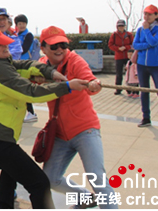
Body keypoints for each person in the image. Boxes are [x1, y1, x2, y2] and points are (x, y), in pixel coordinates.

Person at [0, 22, 87, 208]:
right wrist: (67, 86)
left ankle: (2, 205)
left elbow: (26, 64)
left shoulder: (0, 64)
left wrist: (50, 72)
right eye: (1, 43)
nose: (7, 45)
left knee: (10, 174)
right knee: (40, 183)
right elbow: (30, 92)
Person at [39, 25, 117, 209]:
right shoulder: (41, 65)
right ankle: (84, 197)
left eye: (63, 45)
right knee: (50, 179)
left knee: (97, 178)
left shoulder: (75, 60)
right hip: (59, 134)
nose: (59, 49)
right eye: (54, 45)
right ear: (43, 48)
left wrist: (93, 84)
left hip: (85, 130)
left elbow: (89, 80)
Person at [132, 4, 158, 130]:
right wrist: (147, 44)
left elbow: (154, 42)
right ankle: (146, 118)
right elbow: (135, 45)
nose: (146, 17)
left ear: (156, 15)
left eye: (149, 14)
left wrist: (147, 31)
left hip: (156, 65)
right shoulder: (140, 29)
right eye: (145, 14)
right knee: (144, 91)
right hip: (142, 65)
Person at [14, 13, 40, 125]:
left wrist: (13, 48)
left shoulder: (28, 35)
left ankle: (31, 113)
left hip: (26, 65)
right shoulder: (16, 35)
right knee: (20, 89)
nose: (22, 25)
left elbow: (23, 49)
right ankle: (27, 112)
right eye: (19, 23)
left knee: (24, 88)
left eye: (23, 23)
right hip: (18, 65)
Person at [108, 20, 134, 96]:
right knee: (119, 73)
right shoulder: (114, 35)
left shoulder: (129, 34)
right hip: (118, 57)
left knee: (129, 73)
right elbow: (110, 45)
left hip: (128, 56)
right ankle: (118, 89)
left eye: (122, 26)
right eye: (119, 26)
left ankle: (130, 89)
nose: (121, 27)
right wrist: (118, 48)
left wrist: (125, 47)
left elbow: (133, 44)